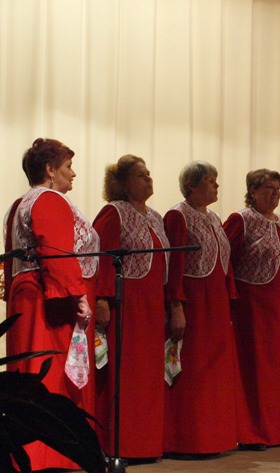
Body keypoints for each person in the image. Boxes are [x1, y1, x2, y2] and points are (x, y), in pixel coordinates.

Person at [4, 137, 99, 470]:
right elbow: (57, 253)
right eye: (68, 167)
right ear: (49, 169)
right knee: (49, 373)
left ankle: (28, 454)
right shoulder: (49, 199)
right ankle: (49, 454)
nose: (73, 174)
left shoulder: (20, 203)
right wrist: (78, 295)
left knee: (28, 371)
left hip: (27, 295)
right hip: (49, 299)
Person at [92, 155, 169, 460]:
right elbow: (102, 257)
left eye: (148, 173)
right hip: (125, 303)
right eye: (140, 175)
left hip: (153, 304)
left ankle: (146, 445)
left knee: (148, 377)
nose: (148, 179)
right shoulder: (114, 212)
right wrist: (101, 299)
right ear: (122, 183)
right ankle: (121, 445)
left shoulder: (156, 216)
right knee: (126, 375)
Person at [163, 161, 238, 456]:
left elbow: (226, 265)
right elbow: (175, 267)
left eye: (216, 180)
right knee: (193, 372)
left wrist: (230, 302)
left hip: (216, 304)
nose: (216, 186)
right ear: (191, 185)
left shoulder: (215, 218)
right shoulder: (177, 216)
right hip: (193, 304)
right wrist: (176, 306)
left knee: (214, 373)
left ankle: (213, 438)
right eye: (210, 181)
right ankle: (187, 440)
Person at [224, 169, 280, 450]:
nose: (275, 192)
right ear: (253, 191)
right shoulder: (241, 219)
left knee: (273, 369)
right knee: (253, 368)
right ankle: (250, 433)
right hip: (251, 306)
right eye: (269, 187)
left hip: (277, 307)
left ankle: (273, 431)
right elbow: (225, 260)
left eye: (278, 187)